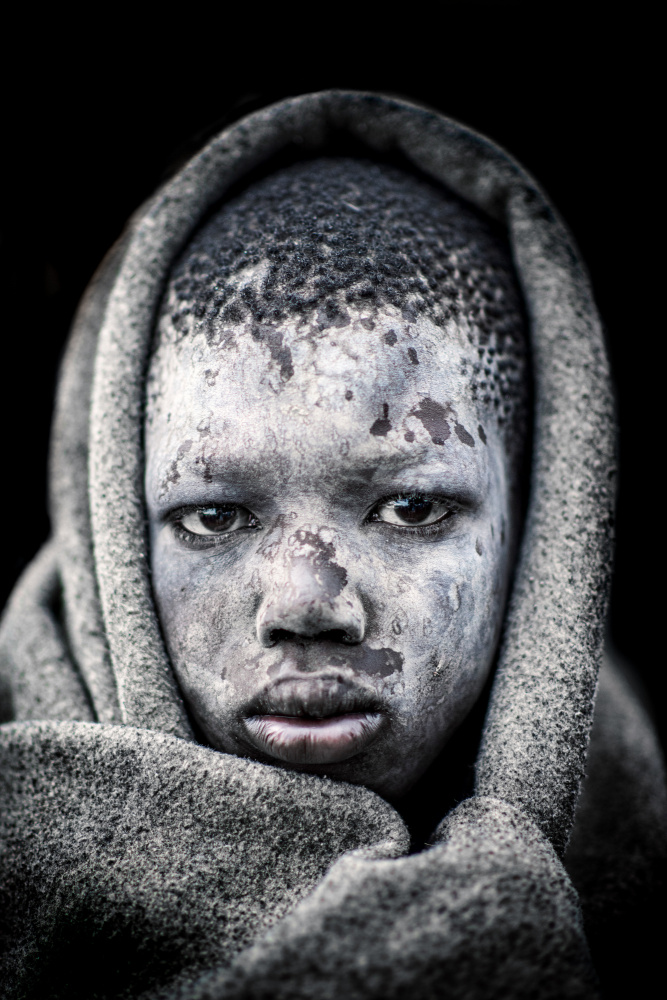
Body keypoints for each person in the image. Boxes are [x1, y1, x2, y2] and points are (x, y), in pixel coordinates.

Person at [0, 91, 664, 1000]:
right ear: (114, 526)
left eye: (411, 509)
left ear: (546, 527)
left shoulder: (644, 839)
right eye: (214, 517)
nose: (307, 603)